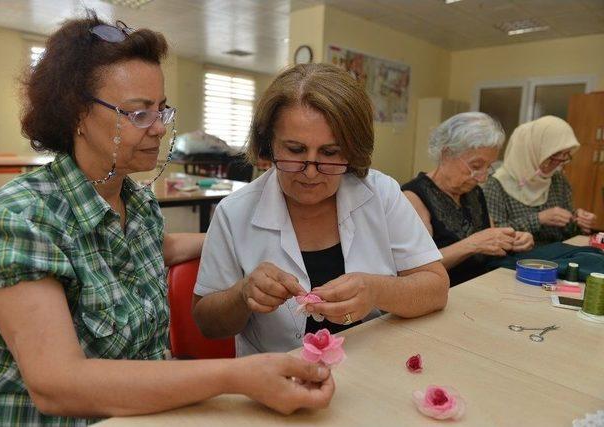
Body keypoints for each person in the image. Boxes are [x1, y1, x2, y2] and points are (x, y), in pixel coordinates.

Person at [0, 14, 334, 425]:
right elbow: (57, 384)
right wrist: (236, 375)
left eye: (162, 110)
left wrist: (236, 234)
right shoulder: (18, 221)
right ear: (76, 115)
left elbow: (146, 249)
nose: (159, 129)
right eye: (139, 114)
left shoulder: (136, 204)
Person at [192, 63, 449, 356]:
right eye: (295, 150)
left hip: (375, 366)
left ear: (353, 151)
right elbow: (206, 324)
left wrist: (376, 291)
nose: (310, 172)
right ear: (269, 145)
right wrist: (242, 295)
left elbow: (436, 287)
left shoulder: (381, 193)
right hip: (276, 380)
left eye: (330, 153)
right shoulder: (234, 213)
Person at [402, 112, 534, 286]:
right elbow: (414, 269)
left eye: (489, 167)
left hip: (483, 287)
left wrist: (512, 240)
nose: (483, 178)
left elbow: (489, 239)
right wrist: (473, 244)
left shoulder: (474, 192)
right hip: (445, 296)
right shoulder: (413, 197)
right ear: (446, 154)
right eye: (476, 166)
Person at [484, 116, 596, 245]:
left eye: (566, 155)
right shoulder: (496, 184)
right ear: (533, 151)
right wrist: (538, 219)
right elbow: (492, 235)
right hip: (516, 258)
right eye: (555, 154)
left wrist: (578, 220)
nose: (559, 162)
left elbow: (568, 233)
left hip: (556, 253)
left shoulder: (558, 180)